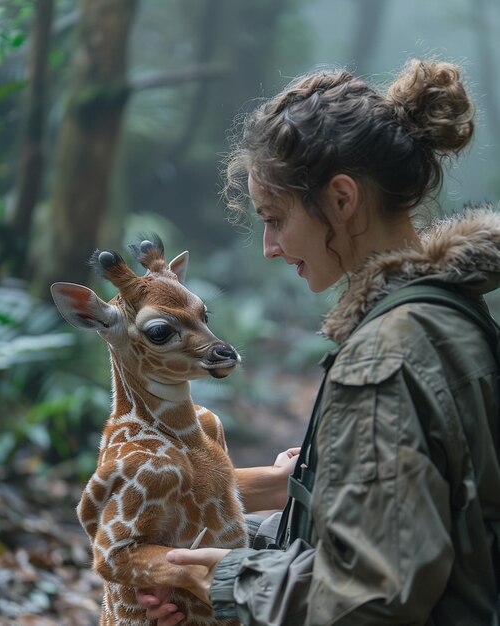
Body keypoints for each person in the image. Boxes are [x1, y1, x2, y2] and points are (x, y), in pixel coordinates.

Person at [136, 59, 500, 625]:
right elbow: (390, 540)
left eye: (275, 218)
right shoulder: (449, 313)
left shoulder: (388, 355)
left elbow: (373, 595)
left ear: (341, 199)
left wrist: (228, 581)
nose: (270, 247)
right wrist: (236, 550)